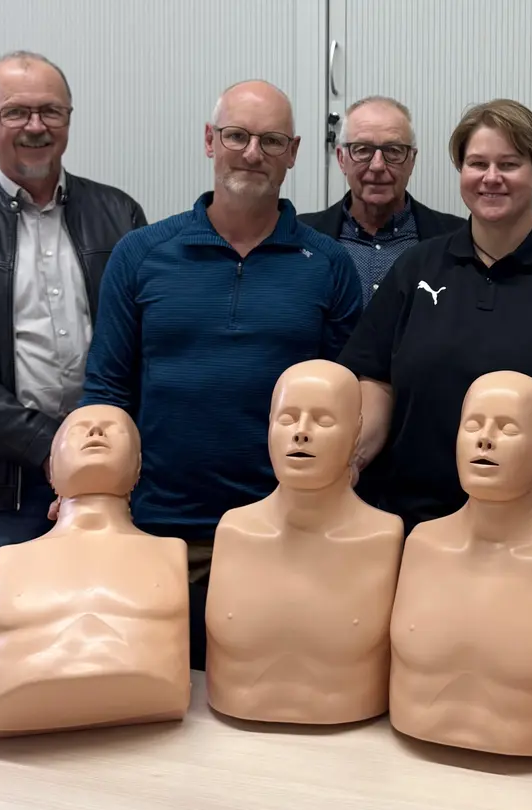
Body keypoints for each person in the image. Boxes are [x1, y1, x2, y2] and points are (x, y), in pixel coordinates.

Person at [80, 80, 367, 670]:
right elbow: (106, 390)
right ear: (210, 141)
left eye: (271, 140)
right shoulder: (140, 254)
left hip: (287, 537)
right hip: (157, 534)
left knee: (265, 712)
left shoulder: (330, 265)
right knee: (155, 705)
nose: (252, 153)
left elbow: (351, 400)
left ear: (294, 152)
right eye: (237, 135)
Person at [0, 50, 147, 634]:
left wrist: (102, 455)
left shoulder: (121, 216)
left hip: (106, 479)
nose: (35, 126)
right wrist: (48, 446)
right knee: (4, 646)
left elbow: (148, 345)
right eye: (16, 112)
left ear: (68, 119)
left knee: (105, 637)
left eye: (49, 111)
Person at [338, 98, 532, 564]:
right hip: (419, 525)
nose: (491, 177)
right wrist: (352, 459)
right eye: (477, 163)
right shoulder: (416, 266)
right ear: (460, 170)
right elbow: (375, 379)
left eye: (509, 164)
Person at [297, 95, 463, 297]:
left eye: (393, 151)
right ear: (342, 159)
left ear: (411, 160)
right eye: (362, 150)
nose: (377, 165)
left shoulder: (459, 239)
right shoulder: (299, 238)